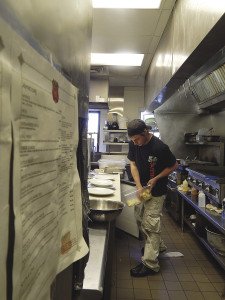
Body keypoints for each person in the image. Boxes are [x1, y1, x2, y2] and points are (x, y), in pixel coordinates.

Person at [127, 119, 178, 277]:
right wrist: (138, 186)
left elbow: (174, 164)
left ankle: (150, 264)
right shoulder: (134, 143)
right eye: (132, 140)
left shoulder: (160, 147)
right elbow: (133, 164)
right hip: (143, 190)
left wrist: (156, 178)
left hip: (157, 191)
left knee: (150, 224)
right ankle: (158, 246)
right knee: (139, 218)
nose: (135, 143)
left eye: (137, 139)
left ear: (145, 133)